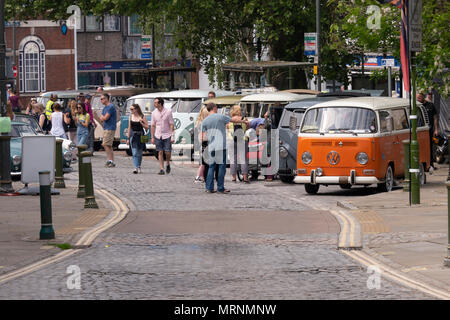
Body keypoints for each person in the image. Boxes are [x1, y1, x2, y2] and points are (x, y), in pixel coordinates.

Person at [201, 102, 248, 194]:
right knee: (221, 167)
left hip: (211, 146)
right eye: (216, 107)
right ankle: (220, 188)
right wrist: (243, 121)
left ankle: (209, 188)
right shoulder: (220, 117)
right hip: (221, 145)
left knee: (211, 167)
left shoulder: (205, 121)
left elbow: (203, 137)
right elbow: (233, 120)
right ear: (214, 108)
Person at [151, 97, 174, 175]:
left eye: (155, 102)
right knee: (160, 152)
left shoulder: (168, 112)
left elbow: (171, 124)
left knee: (167, 152)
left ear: (160, 103)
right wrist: (152, 137)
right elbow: (153, 125)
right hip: (158, 134)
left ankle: (167, 163)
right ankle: (161, 168)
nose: (154, 104)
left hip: (167, 134)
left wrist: (172, 135)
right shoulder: (154, 113)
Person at [226, 105, 249, 183]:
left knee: (233, 159)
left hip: (231, 139)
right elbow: (247, 127)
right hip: (242, 139)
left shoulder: (229, 119)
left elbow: (228, 128)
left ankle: (233, 177)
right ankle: (245, 178)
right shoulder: (244, 119)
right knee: (244, 159)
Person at [417, 92, 439, 169]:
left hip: (429, 130)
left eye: (419, 98)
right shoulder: (417, 106)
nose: (418, 99)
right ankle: (422, 164)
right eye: (417, 98)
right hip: (420, 130)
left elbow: (435, 117)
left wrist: (436, 129)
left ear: (423, 97)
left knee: (429, 147)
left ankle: (431, 164)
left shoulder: (431, 105)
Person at [127, 104, 149, 174]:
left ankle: (139, 166)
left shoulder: (142, 116)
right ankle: (135, 167)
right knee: (134, 152)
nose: (131, 111)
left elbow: (147, 127)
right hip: (133, 136)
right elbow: (129, 127)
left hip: (140, 135)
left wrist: (142, 123)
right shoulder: (131, 117)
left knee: (139, 152)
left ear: (136, 109)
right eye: (130, 109)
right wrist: (128, 138)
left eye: (132, 109)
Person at [99, 93, 117, 168]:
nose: (101, 100)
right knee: (108, 145)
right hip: (106, 127)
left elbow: (105, 118)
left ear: (106, 99)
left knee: (106, 144)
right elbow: (101, 118)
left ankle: (110, 160)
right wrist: (103, 118)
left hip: (110, 127)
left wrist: (103, 117)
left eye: (102, 99)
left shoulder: (110, 107)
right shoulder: (104, 108)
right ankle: (111, 160)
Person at [194, 106, 210, 182]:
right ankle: (198, 176)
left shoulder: (198, 122)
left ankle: (202, 176)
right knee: (203, 162)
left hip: (200, 141)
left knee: (203, 161)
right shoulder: (204, 123)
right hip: (205, 141)